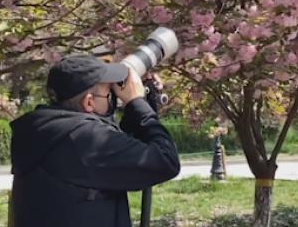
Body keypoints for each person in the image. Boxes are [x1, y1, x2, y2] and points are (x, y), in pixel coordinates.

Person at [10, 54, 180, 227]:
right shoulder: (86, 139)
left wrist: (144, 102)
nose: (114, 96)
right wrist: (136, 102)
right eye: (109, 92)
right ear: (89, 102)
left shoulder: (44, 131)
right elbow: (166, 161)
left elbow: (121, 147)